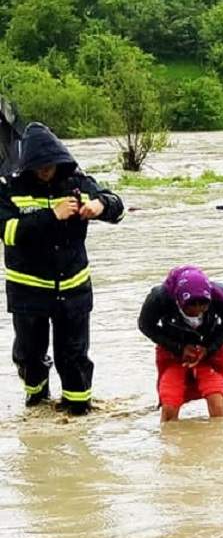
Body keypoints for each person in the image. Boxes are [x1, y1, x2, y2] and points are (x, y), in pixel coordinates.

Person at [0, 121, 124, 413]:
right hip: (28, 290)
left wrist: (100, 206)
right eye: (39, 166)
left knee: (74, 356)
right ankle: (36, 402)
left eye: (51, 165)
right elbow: (8, 232)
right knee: (30, 354)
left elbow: (117, 205)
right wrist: (51, 216)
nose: (45, 171)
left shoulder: (75, 180)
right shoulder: (8, 187)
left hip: (74, 287)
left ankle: (79, 414)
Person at [138, 265, 223, 423]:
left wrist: (208, 348)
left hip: (208, 348)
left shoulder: (222, 296)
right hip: (173, 350)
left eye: (203, 304)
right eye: (191, 305)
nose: (198, 310)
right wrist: (178, 348)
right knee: (170, 403)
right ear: (179, 300)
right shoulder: (159, 298)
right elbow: (145, 325)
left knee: (216, 399)